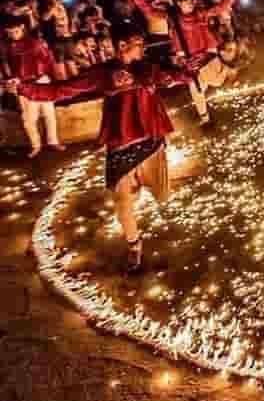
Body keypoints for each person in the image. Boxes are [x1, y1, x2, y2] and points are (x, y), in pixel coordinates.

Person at [3, 30, 195, 272]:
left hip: (150, 140)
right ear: (122, 44)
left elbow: (173, 76)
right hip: (121, 143)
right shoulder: (101, 73)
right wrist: (22, 88)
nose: (142, 48)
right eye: (138, 43)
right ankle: (134, 245)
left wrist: (186, 72)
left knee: (161, 193)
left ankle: (145, 201)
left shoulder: (147, 68)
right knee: (122, 201)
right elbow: (58, 90)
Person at [129, 0, 238, 125]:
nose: (191, 3)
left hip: (207, 56)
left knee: (216, 81)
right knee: (196, 89)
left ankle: (229, 72)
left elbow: (219, 9)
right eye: (187, 1)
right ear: (179, 3)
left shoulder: (200, 13)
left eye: (192, 0)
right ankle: (205, 119)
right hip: (189, 60)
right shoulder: (173, 17)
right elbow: (151, 12)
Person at [0, 16, 64, 158]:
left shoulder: (36, 43)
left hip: (41, 82)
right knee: (29, 118)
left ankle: (53, 141)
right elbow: (6, 66)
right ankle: (35, 145)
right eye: (9, 32)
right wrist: (10, 81)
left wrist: (56, 80)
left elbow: (49, 61)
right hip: (23, 85)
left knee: (49, 114)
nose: (12, 34)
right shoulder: (7, 47)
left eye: (15, 31)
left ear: (22, 27)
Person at [39, 0, 77, 79]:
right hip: (55, 38)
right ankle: (64, 89)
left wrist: (72, 25)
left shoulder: (62, 2)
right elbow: (44, 18)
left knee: (71, 62)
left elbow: (70, 16)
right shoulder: (42, 4)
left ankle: (77, 88)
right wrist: (53, 7)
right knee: (60, 65)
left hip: (67, 36)